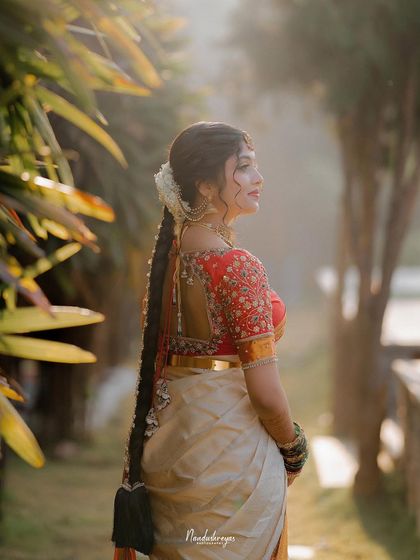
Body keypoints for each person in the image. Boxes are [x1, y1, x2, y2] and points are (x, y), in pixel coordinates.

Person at [111, 121, 309, 560]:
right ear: (204, 184)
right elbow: (266, 395)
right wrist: (293, 448)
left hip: (167, 455)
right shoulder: (238, 268)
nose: (258, 179)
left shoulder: (165, 263)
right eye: (243, 168)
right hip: (231, 462)